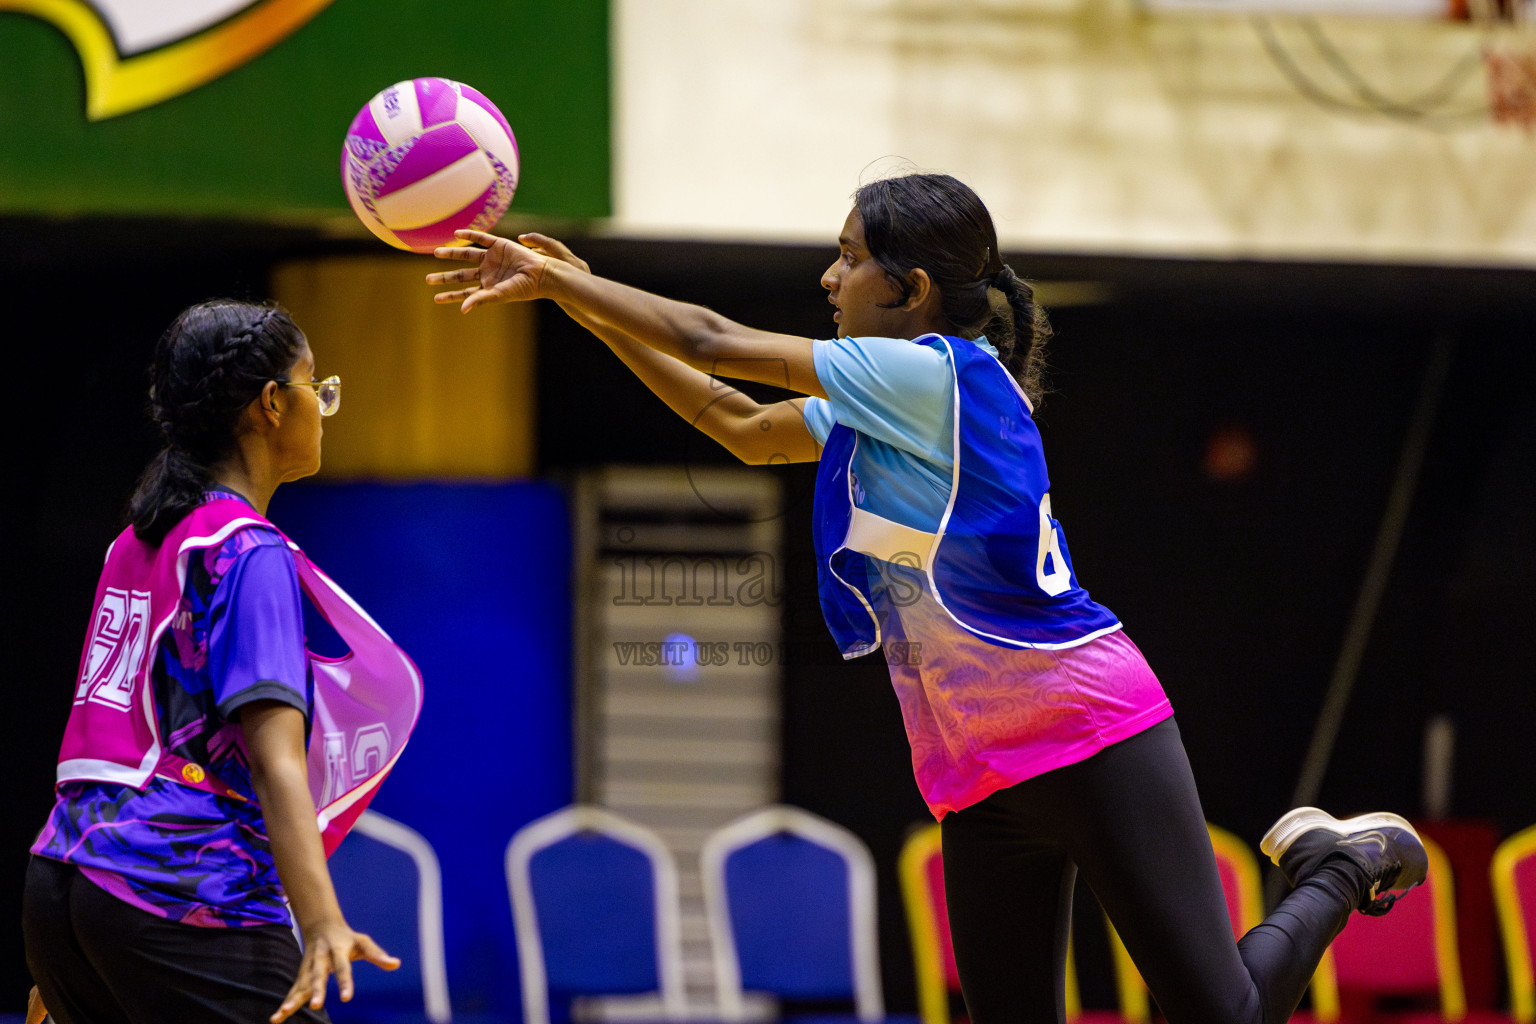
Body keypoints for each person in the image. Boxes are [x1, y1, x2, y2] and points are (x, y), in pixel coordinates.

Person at [427, 172, 1428, 1024]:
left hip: (1088, 730)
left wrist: (569, 278)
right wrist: (580, 301)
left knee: (1221, 1014)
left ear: (907, 289)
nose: (828, 277)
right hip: (977, 771)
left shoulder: (936, 377)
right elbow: (732, 419)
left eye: (847, 256)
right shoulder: (889, 400)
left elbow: (715, 338)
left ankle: (1343, 862)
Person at [23, 300, 423, 1024]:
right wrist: (323, 919)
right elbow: (277, 760)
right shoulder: (246, 549)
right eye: (315, 387)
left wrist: (75, 944)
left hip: (62, 878)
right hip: (177, 884)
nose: (325, 409)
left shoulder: (140, 539)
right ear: (271, 404)